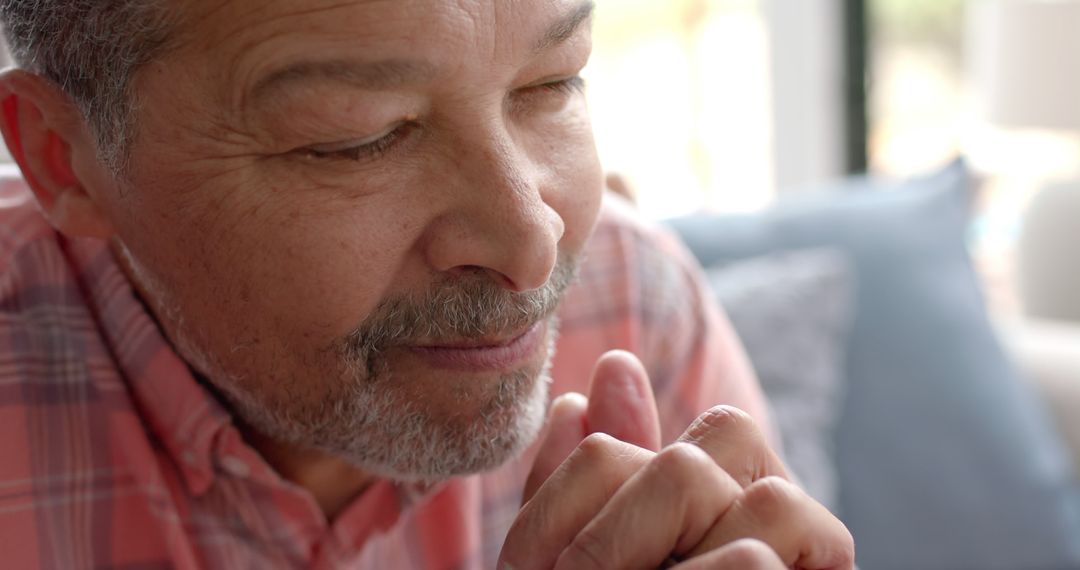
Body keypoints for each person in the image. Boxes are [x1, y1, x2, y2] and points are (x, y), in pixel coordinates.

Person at [0, 1, 854, 568]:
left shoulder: (636, 306)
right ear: (60, 157)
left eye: (553, 83)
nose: (533, 244)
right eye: (359, 139)